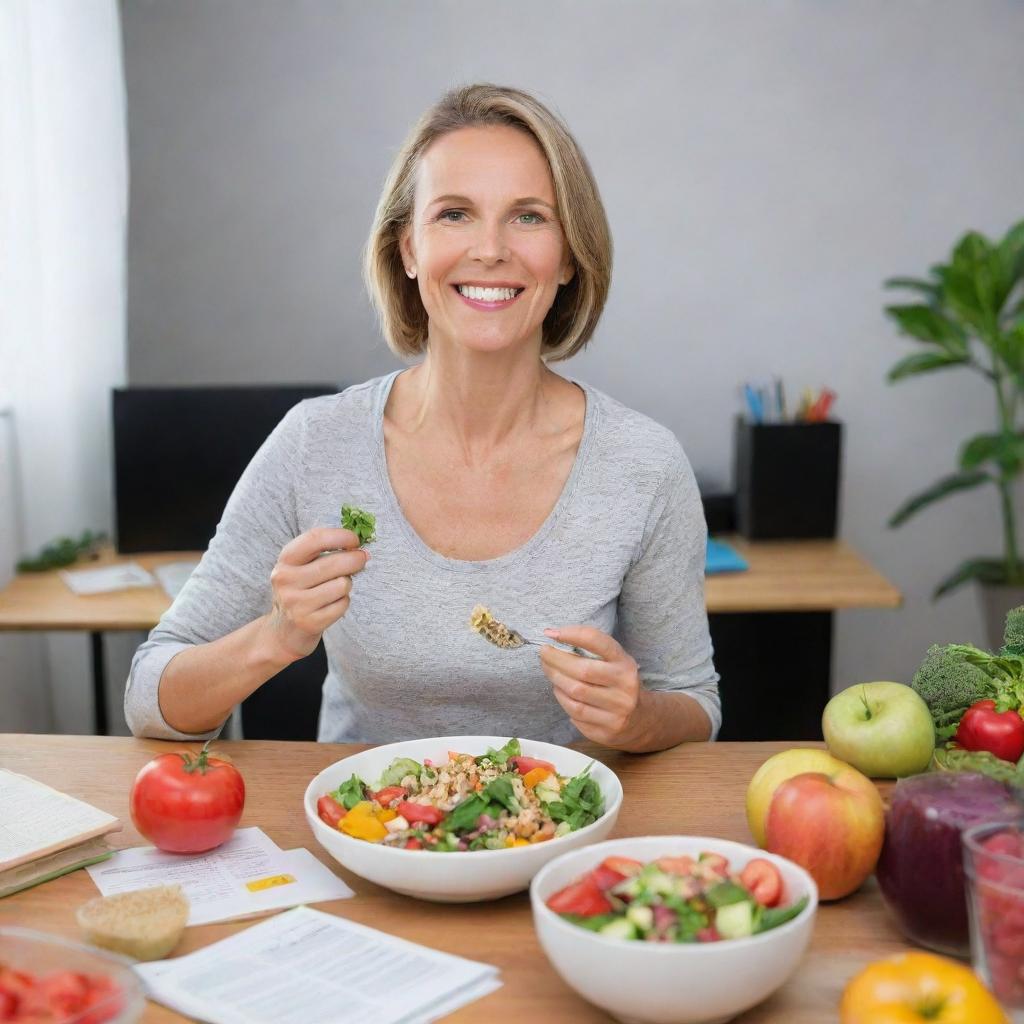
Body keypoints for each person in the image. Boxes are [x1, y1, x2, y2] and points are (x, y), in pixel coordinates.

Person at [125, 83, 720, 752]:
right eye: (455, 214)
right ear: (408, 249)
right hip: (363, 842)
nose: (490, 249)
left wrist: (638, 718)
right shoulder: (314, 444)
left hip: (563, 845)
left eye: (528, 217)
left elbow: (692, 701)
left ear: (570, 258)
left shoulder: (644, 465)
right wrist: (276, 636)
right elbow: (150, 697)